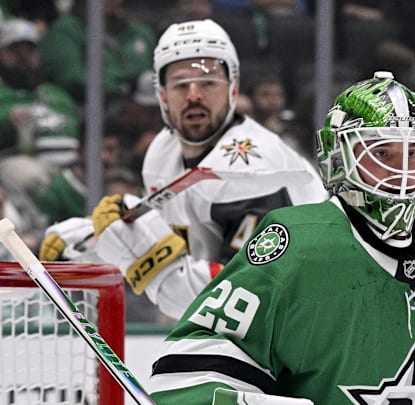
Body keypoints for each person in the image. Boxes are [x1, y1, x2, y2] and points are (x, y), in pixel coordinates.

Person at [147, 71, 415, 404]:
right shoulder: (294, 247)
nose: (403, 172)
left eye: (413, 154)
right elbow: (191, 374)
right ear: (338, 156)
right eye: (382, 153)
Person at [39, 19, 327, 320]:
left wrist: (140, 257)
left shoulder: (254, 166)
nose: (194, 95)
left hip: (308, 324)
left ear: (233, 89)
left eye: (208, 82)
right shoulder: (162, 151)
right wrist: (97, 240)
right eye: (180, 84)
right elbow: (177, 239)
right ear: (162, 95)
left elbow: (246, 297)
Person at [0, 18, 80, 170]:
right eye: (14, 49)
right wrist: (7, 120)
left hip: (70, 167)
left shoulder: (58, 94)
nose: (23, 57)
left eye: (29, 49)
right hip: (19, 163)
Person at [39, 0, 156, 104]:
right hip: (86, 108)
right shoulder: (65, 30)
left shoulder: (140, 32)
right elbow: (70, 76)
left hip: (144, 105)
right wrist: (121, 88)